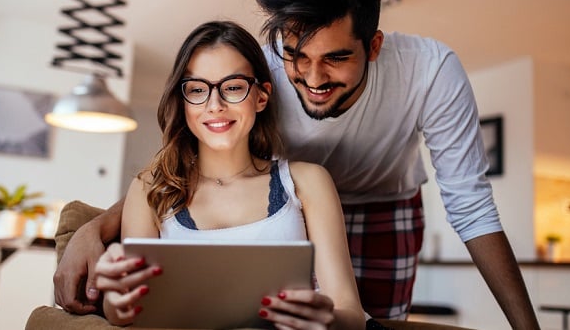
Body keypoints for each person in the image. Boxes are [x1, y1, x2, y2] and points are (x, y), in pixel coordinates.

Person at [53, 0, 540, 329]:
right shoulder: (255, 72)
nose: (311, 77)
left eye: (335, 58)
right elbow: (189, 162)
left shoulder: (430, 72)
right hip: (287, 200)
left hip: (384, 204)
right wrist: (94, 230)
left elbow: (471, 204)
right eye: (297, 56)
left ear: (373, 46)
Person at [93, 20, 366, 329]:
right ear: (182, 101)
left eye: (233, 87)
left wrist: (327, 322)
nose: (214, 105)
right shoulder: (149, 190)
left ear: (261, 96)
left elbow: (351, 315)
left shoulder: (307, 182)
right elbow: (128, 311)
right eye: (197, 89)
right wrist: (115, 301)